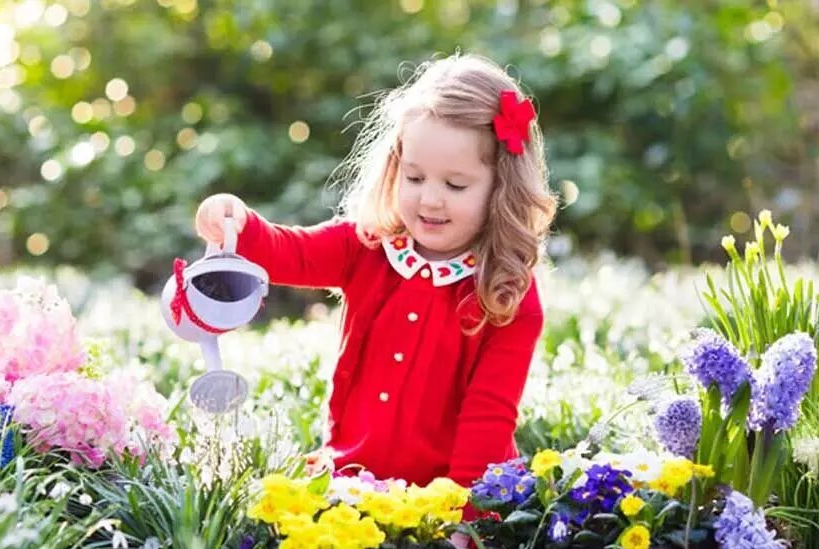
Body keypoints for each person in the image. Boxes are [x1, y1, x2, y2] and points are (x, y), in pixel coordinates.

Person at [195, 52, 557, 503]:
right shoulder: (367, 246)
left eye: (455, 185)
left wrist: (465, 525)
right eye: (415, 176)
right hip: (353, 486)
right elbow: (292, 252)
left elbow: (488, 418)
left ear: (502, 188)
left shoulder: (506, 291)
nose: (430, 199)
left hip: (453, 500)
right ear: (395, 168)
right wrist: (239, 222)